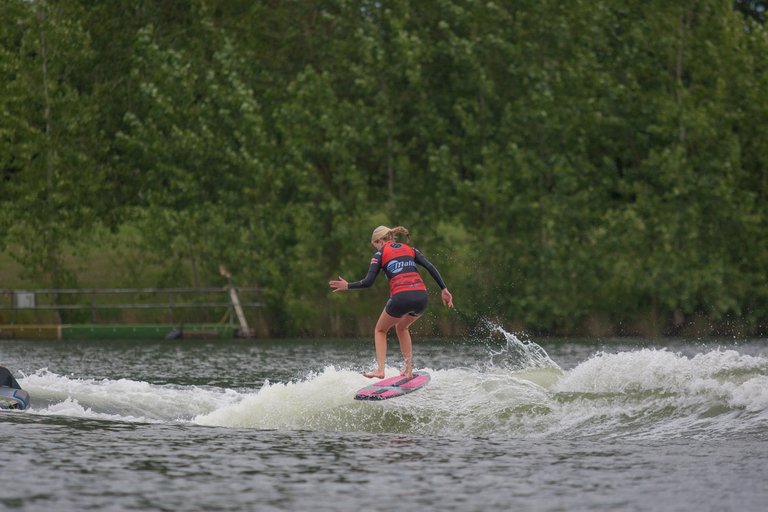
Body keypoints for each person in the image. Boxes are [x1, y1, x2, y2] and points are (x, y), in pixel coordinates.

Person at [329, 225, 454, 379]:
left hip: (401, 297)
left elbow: (368, 282)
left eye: (374, 245)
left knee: (380, 330)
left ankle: (380, 370)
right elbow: (430, 267)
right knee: (402, 327)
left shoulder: (379, 254)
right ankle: (408, 369)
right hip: (422, 298)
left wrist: (348, 285)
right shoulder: (410, 249)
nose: (375, 248)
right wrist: (444, 289)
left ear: (379, 241)